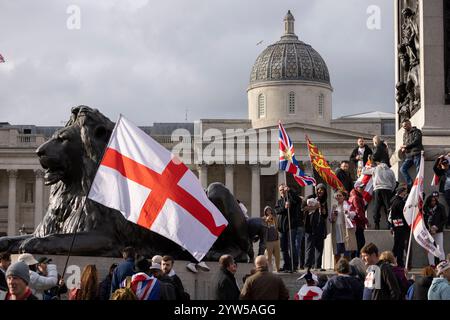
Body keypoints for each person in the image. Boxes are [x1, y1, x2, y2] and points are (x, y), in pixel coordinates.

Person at [363, 161, 396, 229]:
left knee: (376, 207)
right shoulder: (391, 171)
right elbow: (394, 183)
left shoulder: (376, 169)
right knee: (388, 208)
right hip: (388, 190)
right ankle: (389, 224)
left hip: (378, 190)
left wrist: (368, 166)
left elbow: (364, 171)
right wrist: (391, 190)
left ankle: (377, 224)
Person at [274, 183, 300, 272]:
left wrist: (290, 191)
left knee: (291, 246)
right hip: (282, 227)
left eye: (284, 190)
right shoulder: (279, 201)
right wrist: (284, 208)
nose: (282, 192)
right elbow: (277, 210)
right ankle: (287, 264)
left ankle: (294, 265)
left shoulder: (291, 199)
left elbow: (298, 200)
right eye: (281, 190)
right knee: (283, 247)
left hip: (291, 226)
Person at [303, 184, 328, 271]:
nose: (320, 191)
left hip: (320, 227)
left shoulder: (324, 201)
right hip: (310, 227)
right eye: (318, 189)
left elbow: (325, 215)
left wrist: (324, 211)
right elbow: (303, 208)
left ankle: (318, 265)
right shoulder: (310, 197)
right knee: (309, 247)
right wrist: (315, 207)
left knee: (319, 248)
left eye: (322, 190)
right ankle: (308, 266)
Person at [330, 190, 357, 264]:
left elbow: (354, 214)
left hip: (345, 229)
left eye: (340, 196)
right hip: (337, 229)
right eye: (337, 196)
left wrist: (348, 213)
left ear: (344, 197)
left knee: (347, 248)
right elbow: (330, 219)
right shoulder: (334, 206)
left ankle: (347, 265)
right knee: (337, 249)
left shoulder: (348, 204)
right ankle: (337, 266)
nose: (338, 197)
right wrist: (333, 215)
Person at [423, 192, 447, 266]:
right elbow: (423, 220)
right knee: (430, 249)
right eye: (432, 201)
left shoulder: (440, 207)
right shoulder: (425, 208)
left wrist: (437, 227)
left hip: (438, 231)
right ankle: (432, 265)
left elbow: (444, 219)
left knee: (440, 247)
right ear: (429, 201)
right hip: (428, 232)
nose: (433, 202)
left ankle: (442, 264)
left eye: (434, 200)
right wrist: (428, 228)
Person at [388, 186, 410, 268]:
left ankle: (392, 260)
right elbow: (404, 214)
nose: (405, 193)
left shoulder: (395, 200)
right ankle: (399, 262)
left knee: (397, 245)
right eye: (404, 192)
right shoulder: (399, 202)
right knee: (400, 245)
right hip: (400, 227)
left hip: (397, 226)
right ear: (401, 192)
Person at [400, 119, 424, 191]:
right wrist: (403, 149)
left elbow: (416, 141)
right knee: (402, 169)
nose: (404, 127)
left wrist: (406, 146)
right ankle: (410, 183)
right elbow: (405, 144)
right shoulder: (405, 134)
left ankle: (418, 185)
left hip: (416, 153)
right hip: (409, 155)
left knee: (418, 170)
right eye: (403, 126)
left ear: (409, 124)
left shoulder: (417, 131)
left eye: (405, 125)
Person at [348, 181, 369, 256]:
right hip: (358, 223)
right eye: (361, 187)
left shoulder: (356, 196)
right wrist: (366, 221)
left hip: (356, 223)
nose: (363, 189)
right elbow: (358, 211)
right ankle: (355, 259)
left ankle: (355, 258)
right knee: (360, 242)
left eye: (363, 187)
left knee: (358, 243)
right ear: (356, 188)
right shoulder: (356, 197)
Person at [432, 155, 450, 227]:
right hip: (446, 190)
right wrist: (438, 159)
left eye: (446, 165)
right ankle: (448, 223)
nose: (445, 166)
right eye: (443, 165)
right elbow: (434, 168)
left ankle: (448, 223)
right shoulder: (440, 172)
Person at [263, 206, 281, 272]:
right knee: (269, 257)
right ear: (265, 212)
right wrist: (266, 220)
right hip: (268, 241)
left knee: (277, 256)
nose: (269, 212)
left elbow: (277, 227)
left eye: (269, 210)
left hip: (276, 240)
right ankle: (269, 270)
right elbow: (263, 228)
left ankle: (278, 268)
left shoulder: (274, 218)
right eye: (267, 211)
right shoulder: (263, 219)